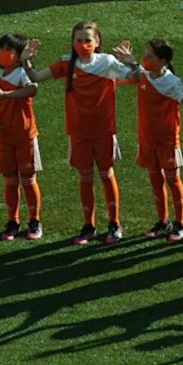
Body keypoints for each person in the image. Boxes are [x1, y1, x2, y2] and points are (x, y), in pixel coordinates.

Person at [46, 19, 136, 246]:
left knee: (106, 175)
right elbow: (37, 77)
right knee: (85, 177)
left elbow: (134, 79)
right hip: (78, 132)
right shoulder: (67, 63)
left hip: (104, 131)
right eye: (78, 40)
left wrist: (132, 63)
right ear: (72, 42)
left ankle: (115, 223)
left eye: (87, 40)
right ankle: (89, 225)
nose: (83, 44)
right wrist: (26, 60)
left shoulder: (107, 62)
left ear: (97, 42)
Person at [126, 37, 183, 242]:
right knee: (155, 180)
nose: (145, 59)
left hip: (167, 141)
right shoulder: (143, 75)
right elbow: (124, 75)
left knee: (173, 181)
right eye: (144, 55)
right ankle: (163, 221)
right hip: (147, 139)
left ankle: (181, 223)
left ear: (163, 61)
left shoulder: (172, 82)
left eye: (149, 56)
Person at [0, 33, 44, 239]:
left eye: (9, 50)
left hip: (25, 135)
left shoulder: (23, 74)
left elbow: (32, 89)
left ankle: (34, 221)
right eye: (2, 48)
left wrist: (6, 96)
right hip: (4, 137)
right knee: (10, 181)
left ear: (18, 55)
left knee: (28, 179)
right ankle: (13, 221)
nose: (3, 53)